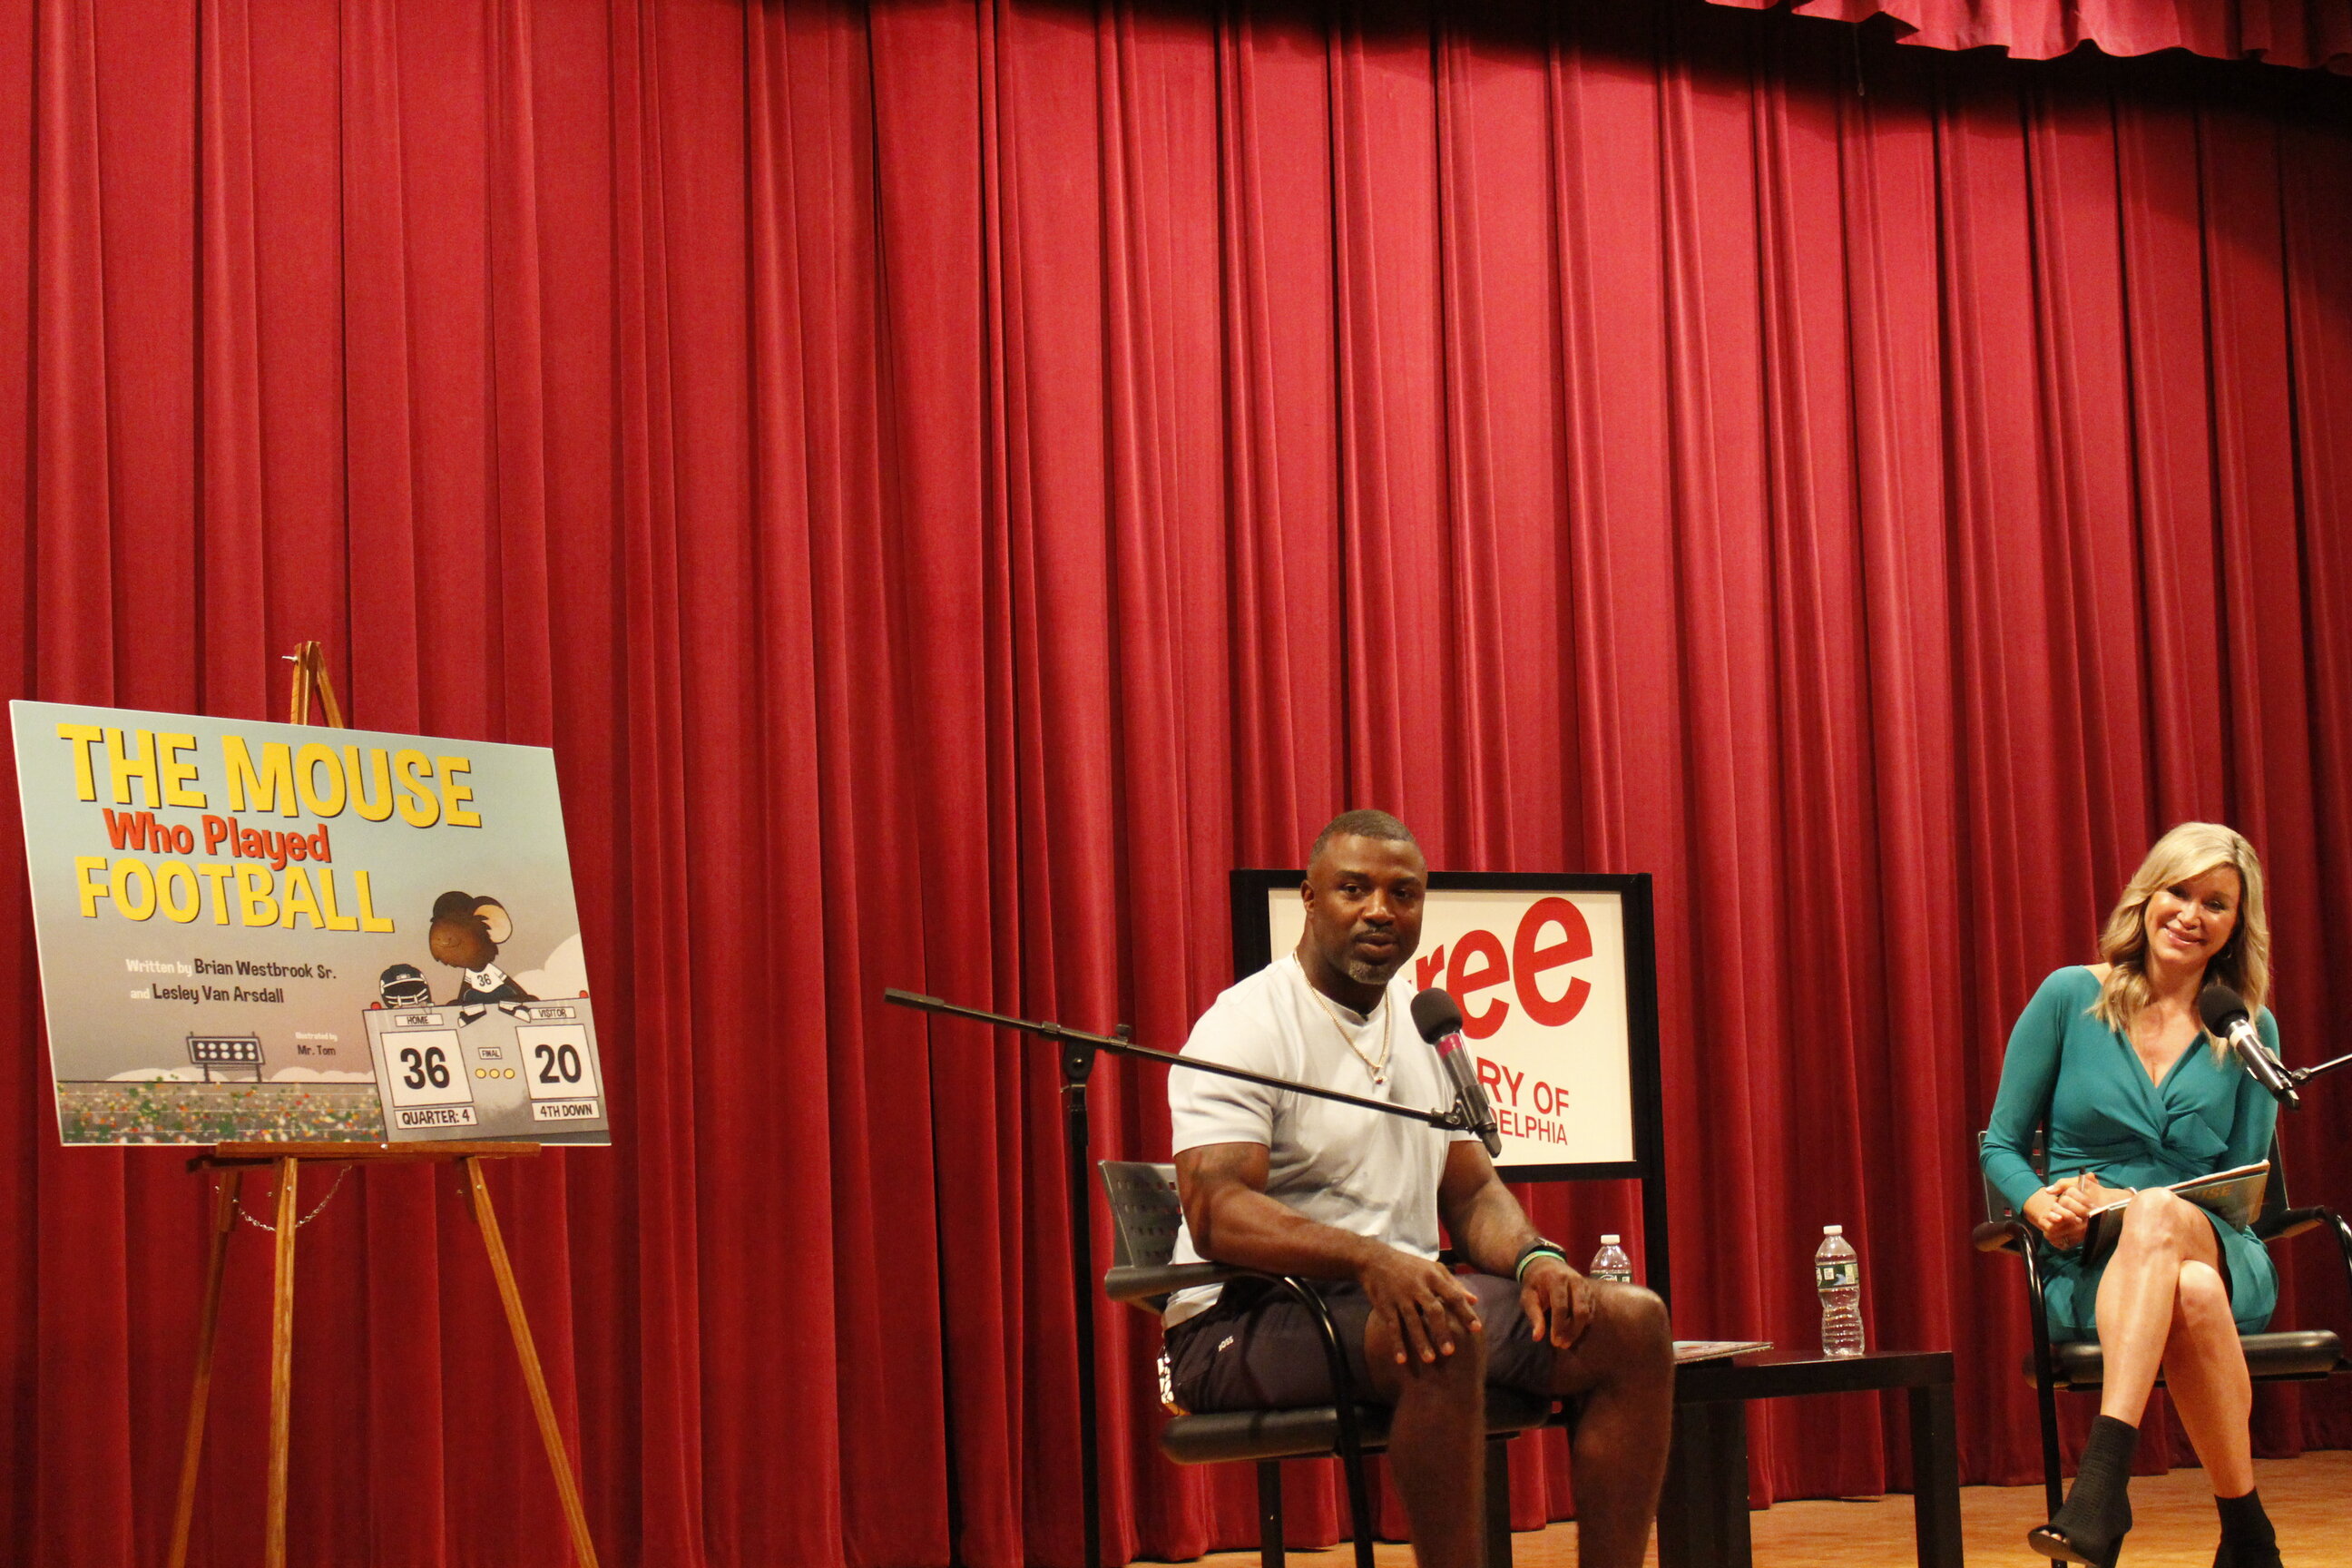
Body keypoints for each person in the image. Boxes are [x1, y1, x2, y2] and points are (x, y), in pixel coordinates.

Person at [1163, 809, 1674, 1568]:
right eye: (1354, 889)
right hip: (1243, 1317)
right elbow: (1218, 1213)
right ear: (1308, 899)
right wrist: (1373, 1259)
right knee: (1440, 1329)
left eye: (1403, 894)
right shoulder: (1245, 1024)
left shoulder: (1426, 1026)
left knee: (1630, 1323)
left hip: (1397, 1304)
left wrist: (1536, 1260)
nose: (1380, 910)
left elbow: (1471, 1195)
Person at [1981, 822, 2286, 1568]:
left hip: (2219, 1247)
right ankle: (2248, 1538)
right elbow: (2000, 1145)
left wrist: (2171, 1210)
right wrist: (2039, 1203)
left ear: (2233, 927)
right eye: (2178, 891)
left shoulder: (2247, 1030)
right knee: (2190, 1294)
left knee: (2166, 1226)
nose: (2191, 913)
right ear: (2147, 898)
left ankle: (2102, 1485)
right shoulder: (2068, 997)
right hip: (2094, 1262)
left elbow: (2245, 1187)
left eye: (2215, 903)